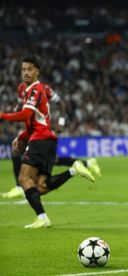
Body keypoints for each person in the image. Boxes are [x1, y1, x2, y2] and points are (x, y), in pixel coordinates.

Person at [0, 56, 95, 228]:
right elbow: (35, 121)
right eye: (23, 69)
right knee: (41, 186)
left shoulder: (35, 89)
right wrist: (21, 137)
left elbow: (25, 115)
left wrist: (2, 115)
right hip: (47, 140)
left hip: (40, 140)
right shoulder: (30, 90)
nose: (26, 72)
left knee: (23, 178)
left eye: (29, 69)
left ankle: (42, 218)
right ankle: (73, 170)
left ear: (37, 71)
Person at [2, 81, 102, 199]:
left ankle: (22, 187)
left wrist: (61, 122)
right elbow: (21, 107)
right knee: (18, 152)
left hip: (46, 128)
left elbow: (61, 103)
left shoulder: (44, 88)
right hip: (33, 129)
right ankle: (86, 164)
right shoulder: (21, 88)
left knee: (46, 163)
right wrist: (17, 108)